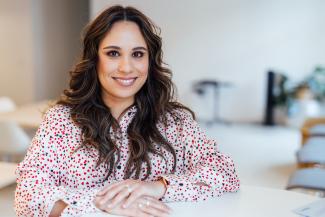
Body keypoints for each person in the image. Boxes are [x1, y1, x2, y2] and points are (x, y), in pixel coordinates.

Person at [15, 5, 240, 217]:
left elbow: (224, 172)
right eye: (113, 53)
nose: (126, 67)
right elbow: (27, 196)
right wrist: (99, 203)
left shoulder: (175, 121)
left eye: (138, 54)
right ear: (95, 59)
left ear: (150, 61)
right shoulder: (62, 120)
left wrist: (158, 187)